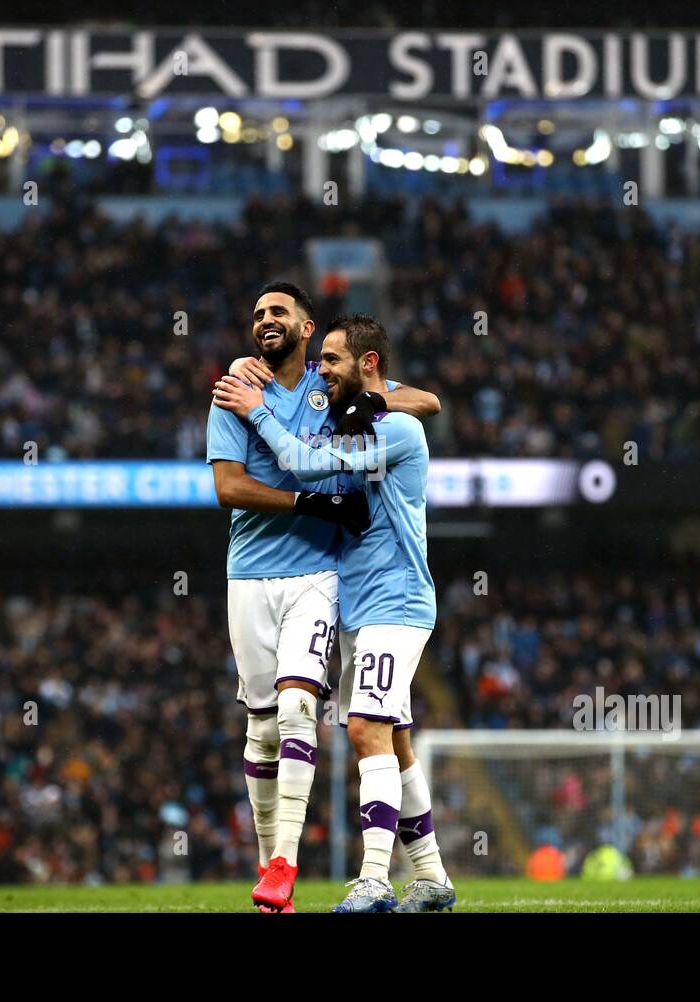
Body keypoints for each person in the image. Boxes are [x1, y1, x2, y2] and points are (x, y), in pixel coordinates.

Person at [206, 284, 440, 912]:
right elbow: (228, 486)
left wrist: (379, 398)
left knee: (324, 717)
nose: (264, 321)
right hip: (270, 580)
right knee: (274, 729)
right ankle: (432, 875)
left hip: (336, 581)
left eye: (277, 312)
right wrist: (256, 402)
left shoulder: (335, 392)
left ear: (308, 331)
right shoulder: (237, 387)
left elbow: (421, 401)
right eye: (256, 314)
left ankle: (328, 872)